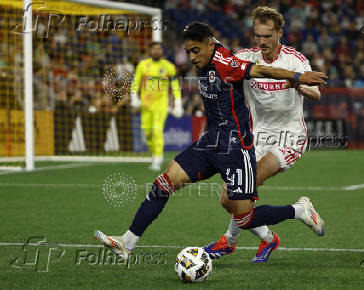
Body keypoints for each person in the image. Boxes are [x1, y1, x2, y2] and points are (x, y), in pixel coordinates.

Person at [94, 22, 327, 260]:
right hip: (209, 143)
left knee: (243, 217)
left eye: (196, 50)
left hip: (237, 149)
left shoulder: (226, 63)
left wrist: (298, 76)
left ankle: (298, 211)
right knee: (163, 184)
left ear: (210, 44)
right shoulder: (206, 57)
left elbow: (261, 70)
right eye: (188, 52)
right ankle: (127, 243)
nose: (192, 57)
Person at [204, 6, 324, 263]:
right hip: (258, 136)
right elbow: (225, 69)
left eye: (267, 36)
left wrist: (296, 83)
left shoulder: (295, 59)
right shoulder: (247, 57)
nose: (261, 41)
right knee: (228, 198)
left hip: (290, 137)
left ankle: (228, 242)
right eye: (258, 35)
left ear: (280, 33)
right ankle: (280, 228)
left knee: (246, 185)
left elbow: (316, 93)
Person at [130, 42, 183, 171]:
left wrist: (177, 103)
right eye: (154, 49)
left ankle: (157, 158)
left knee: (157, 130)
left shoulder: (169, 66)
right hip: (145, 106)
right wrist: (133, 96)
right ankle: (154, 154)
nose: (156, 51)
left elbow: (175, 85)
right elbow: (136, 81)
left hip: (161, 105)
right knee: (147, 133)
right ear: (150, 51)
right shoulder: (143, 65)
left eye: (159, 49)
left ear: (162, 52)